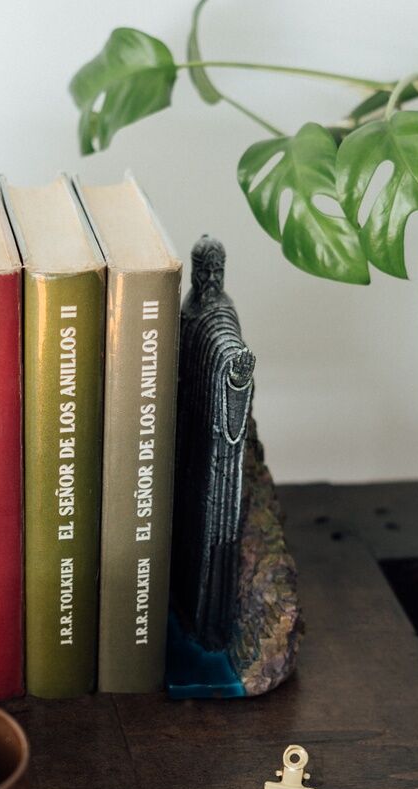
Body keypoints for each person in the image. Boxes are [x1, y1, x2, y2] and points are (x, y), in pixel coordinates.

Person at [172, 236, 255, 648]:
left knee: (204, 520)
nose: (208, 278)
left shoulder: (222, 313)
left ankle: (206, 621)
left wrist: (236, 376)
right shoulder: (188, 302)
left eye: (215, 271)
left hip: (207, 438)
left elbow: (228, 349)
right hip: (181, 429)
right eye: (202, 270)